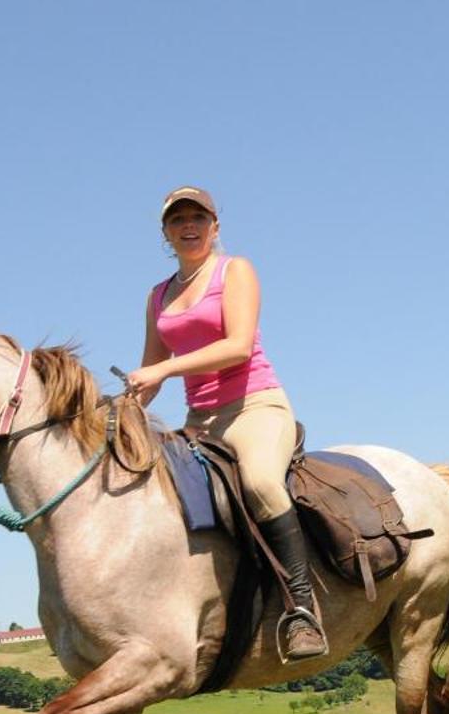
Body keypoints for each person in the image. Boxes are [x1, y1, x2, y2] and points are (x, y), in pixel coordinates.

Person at [124, 186, 328, 659]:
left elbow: (237, 346)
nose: (188, 226)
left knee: (259, 483)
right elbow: (150, 369)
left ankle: (303, 611)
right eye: (178, 220)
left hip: (255, 406)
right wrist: (126, 405)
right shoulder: (158, 296)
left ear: (215, 227)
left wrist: (163, 370)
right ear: (166, 234)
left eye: (198, 217)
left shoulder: (234, 270)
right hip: (199, 421)